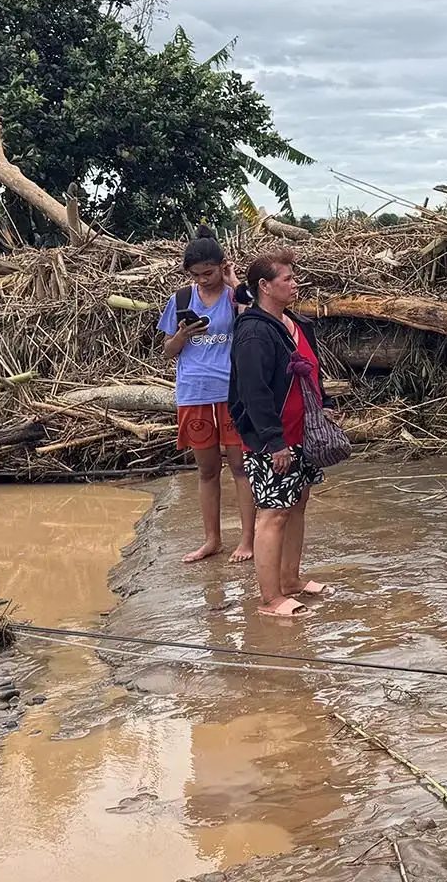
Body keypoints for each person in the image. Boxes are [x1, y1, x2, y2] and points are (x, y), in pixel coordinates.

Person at [229, 250, 336, 618]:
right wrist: (273, 441)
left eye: (294, 277)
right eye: (287, 279)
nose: (295, 284)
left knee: (297, 505)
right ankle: (270, 599)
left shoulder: (296, 324)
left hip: (301, 432)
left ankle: (291, 581)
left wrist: (326, 402)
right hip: (271, 440)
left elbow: (311, 372)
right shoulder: (254, 332)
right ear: (264, 286)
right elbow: (253, 391)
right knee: (273, 514)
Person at [159, 226, 256, 564]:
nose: (203, 280)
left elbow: (252, 323)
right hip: (193, 392)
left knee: (241, 466)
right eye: (196, 275)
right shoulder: (181, 300)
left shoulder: (235, 296)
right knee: (207, 471)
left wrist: (233, 283)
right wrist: (183, 334)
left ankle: (248, 540)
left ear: (222, 266)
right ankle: (211, 540)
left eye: (209, 273)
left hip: (231, 391)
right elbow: (168, 351)